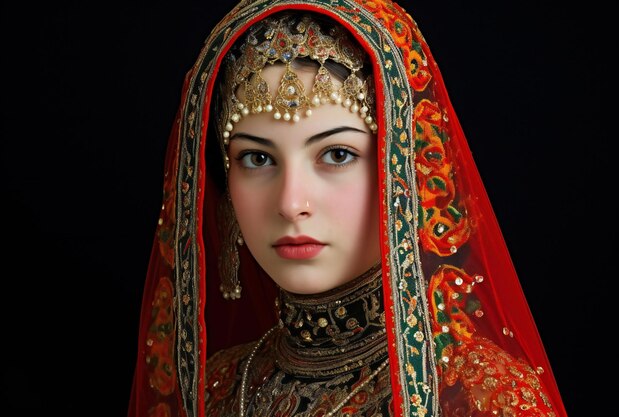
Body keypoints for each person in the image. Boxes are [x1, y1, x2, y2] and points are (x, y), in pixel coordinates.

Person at [128, 1, 568, 416]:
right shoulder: (216, 389)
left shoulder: (473, 397)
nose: (291, 203)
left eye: (336, 155)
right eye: (258, 159)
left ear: (405, 171)